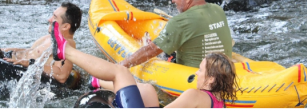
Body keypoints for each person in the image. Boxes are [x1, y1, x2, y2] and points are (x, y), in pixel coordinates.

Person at [51, 21, 238, 108]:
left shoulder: (195, 96)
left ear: (211, 78)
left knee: (120, 72)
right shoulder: (219, 102)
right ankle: (98, 82)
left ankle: (66, 51)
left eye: (201, 70)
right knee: (147, 89)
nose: (196, 73)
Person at [119, 0, 232, 69]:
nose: (173, 0)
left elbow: (151, 50)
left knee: (160, 51)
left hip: (195, 75)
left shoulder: (180, 21)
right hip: (222, 70)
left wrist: (120, 66)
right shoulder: (218, 9)